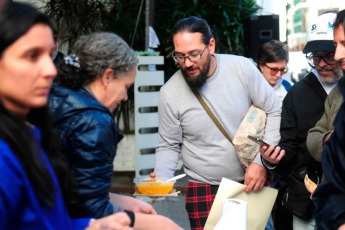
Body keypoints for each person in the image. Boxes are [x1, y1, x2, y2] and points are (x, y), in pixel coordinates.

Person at [0, 2, 133, 229]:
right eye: (32, 56)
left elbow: (47, 221)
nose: (50, 69)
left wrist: (91, 226)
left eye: (49, 55)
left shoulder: (31, 133)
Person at [154, 16, 283, 230]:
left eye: (195, 54)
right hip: (203, 188)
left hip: (250, 182)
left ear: (211, 45)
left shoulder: (242, 68)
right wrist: (160, 181)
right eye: (180, 56)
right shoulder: (169, 93)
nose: (187, 63)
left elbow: (275, 110)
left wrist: (261, 163)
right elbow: (169, 145)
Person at [50, 32, 182, 229]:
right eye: (126, 87)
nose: (125, 97)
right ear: (108, 76)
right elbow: (92, 212)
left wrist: (121, 200)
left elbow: (74, 189)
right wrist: (159, 224)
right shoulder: (94, 122)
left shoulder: (58, 98)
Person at [261, 11, 343, 230]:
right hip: (307, 200)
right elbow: (288, 145)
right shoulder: (297, 94)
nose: (322, 63)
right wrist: (272, 158)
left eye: (328, 55)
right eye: (316, 57)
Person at [312, 9, 345, 230]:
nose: (337, 55)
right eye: (337, 45)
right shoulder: (339, 95)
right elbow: (313, 138)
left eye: (344, 43)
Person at [257, 39, 293, 230]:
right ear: (261, 65)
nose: (278, 75)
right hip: (254, 163)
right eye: (273, 69)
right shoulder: (251, 86)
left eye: (283, 70)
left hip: (281, 163)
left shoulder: (289, 87)